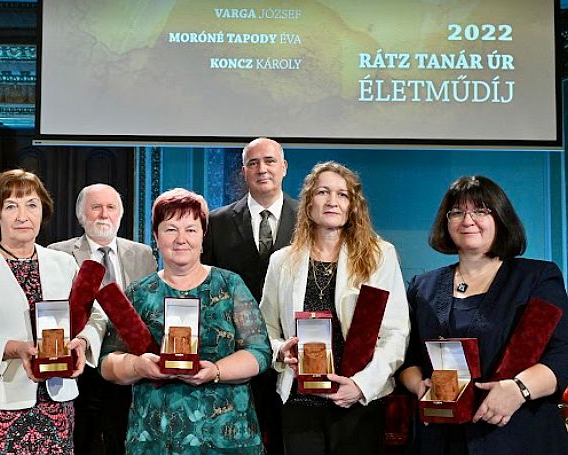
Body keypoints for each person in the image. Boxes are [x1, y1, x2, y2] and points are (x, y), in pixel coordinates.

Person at [398, 176, 568, 455]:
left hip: (518, 434)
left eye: (480, 211)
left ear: (500, 218)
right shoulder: (422, 287)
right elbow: (407, 357)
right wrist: (419, 386)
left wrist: (520, 389)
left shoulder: (536, 278)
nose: (468, 220)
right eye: (457, 212)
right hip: (440, 438)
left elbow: (562, 353)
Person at [0, 169, 107, 454]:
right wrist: (15, 348)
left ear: (43, 212)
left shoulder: (64, 263)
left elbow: (97, 316)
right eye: (11, 206)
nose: (22, 216)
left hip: (58, 402)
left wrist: (83, 342)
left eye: (31, 205)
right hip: (0, 405)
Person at [100, 188, 272, 454]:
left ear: (203, 236)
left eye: (191, 230)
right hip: (155, 438)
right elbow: (108, 363)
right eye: (170, 230)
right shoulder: (138, 292)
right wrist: (138, 366)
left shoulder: (230, 285)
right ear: (156, 237)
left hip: (228, 438)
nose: (181, 239)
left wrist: (216, 371)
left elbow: (260, 352)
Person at [260, 161, 409, 454]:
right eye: (323, 192)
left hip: (359, 398)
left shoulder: (380, 256)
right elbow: (266, 328)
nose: (332, 201)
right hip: (299, 401)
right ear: (308, 204)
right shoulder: (282, 261)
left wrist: (362, 385)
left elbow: (396, 333)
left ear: (353, 206)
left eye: (342, 194)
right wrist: (280, 350)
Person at [202, 137, 298, 454]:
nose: (262, 169)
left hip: (292, 356)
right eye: (253, 163)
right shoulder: (216, 222)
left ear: (284, 167)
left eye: (269, 161)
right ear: (243, 172)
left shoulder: (308, 220)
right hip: (235, 357)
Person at [48, 183, 157, 454]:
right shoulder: (58, 253)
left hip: (127, 365)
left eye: (111, 207)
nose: (104, 214)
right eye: (96, 207)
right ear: (81, 215)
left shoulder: (143, 254)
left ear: (120, 214)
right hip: (80, 364)